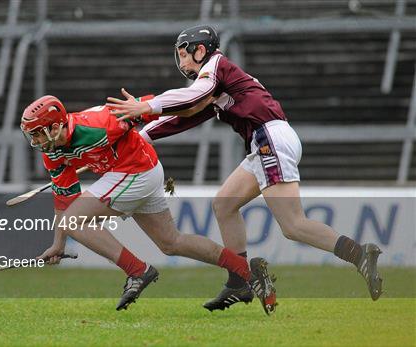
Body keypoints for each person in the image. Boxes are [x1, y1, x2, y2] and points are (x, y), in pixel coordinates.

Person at [106, 25, 383, 312]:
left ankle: (359, 254)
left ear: (200, 50)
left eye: (183, 54)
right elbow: (186, 115)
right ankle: (239, 282)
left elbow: (190, 98)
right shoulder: (214, 81)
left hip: (268, 139)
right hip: (266, 140)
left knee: (293, 225)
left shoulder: (214, 67)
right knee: (224, 204)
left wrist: (147, 106)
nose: (182, 62)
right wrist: (141, 136)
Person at [22, 94, 271, 311]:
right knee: (171, 242)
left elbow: (151, 108)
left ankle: (137, 271)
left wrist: (201, 104)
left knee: (75, 220)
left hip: (136, 171)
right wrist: (58, 244)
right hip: (135, 174)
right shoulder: (52, 153)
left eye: (36, 133)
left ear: (54, 127)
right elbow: (65, 200)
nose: (34, 141)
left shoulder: (100, 123)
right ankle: (248, 272)